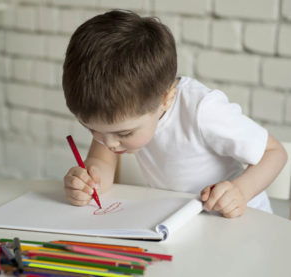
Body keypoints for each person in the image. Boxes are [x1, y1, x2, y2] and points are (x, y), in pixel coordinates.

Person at [62, 10, 288, 218]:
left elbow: (275, 152)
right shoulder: (112, 124)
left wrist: (241, 191)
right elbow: (101, 162)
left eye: (125, 133)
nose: (108, 143)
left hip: (241, 221)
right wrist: (88, 184)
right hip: (186, 223)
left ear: (166, 99)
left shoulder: (202, 109)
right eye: (92, 129)